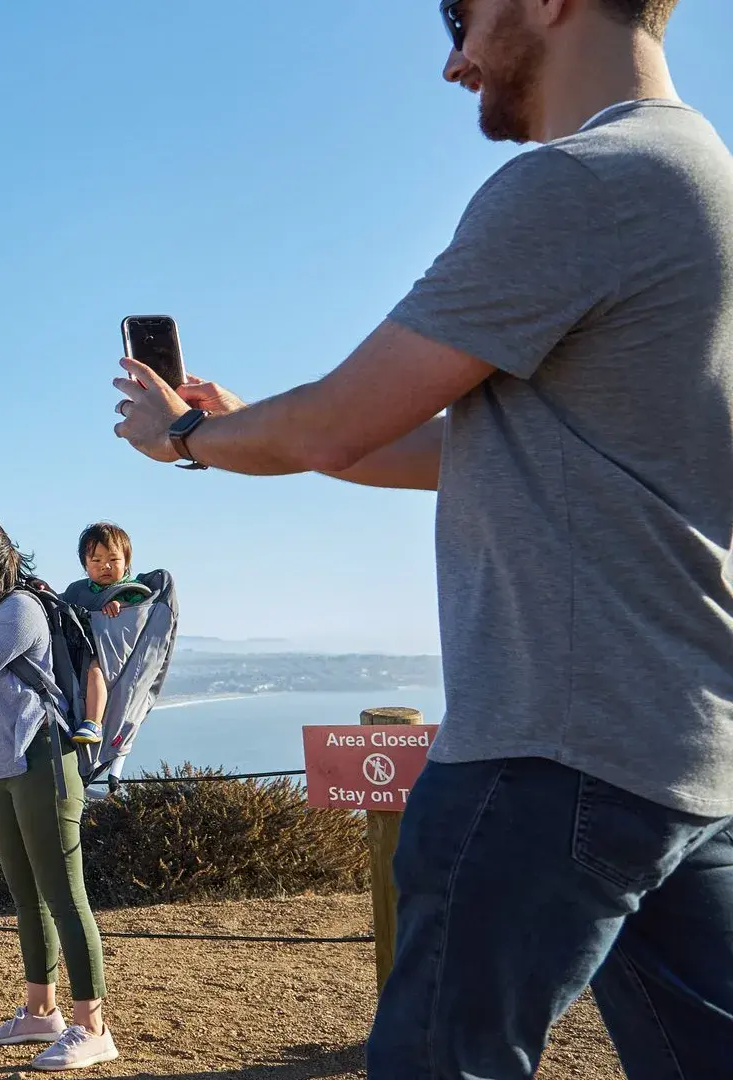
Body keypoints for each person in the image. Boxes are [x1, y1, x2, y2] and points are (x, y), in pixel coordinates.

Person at [111, 2, 731, 1075]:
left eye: (461, 16)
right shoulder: (703, 188)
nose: (454, 60)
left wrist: (189, 439)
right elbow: (421, 442)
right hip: (691, 763)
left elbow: (343, 416)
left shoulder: (580, 183)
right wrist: (254, 421)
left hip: (551, 756)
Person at [0, 514, 118, 1072]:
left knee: (65, 896)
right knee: (26, 894)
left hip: (44, 760)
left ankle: (93, 1026)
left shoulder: (18, 609)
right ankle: (41, 1010)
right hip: (0, 766)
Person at [59, 522, 146, 745]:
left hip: (111, 655)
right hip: (80, 650)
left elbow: (141, 609)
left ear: (126, 562)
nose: (105, 566)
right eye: (96, 560)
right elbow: (59, 605)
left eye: (113, 559)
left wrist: (122, 604)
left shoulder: (132, 590)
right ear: (85, 564)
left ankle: (93, 723)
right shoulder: (78, 590)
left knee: (95, 670)